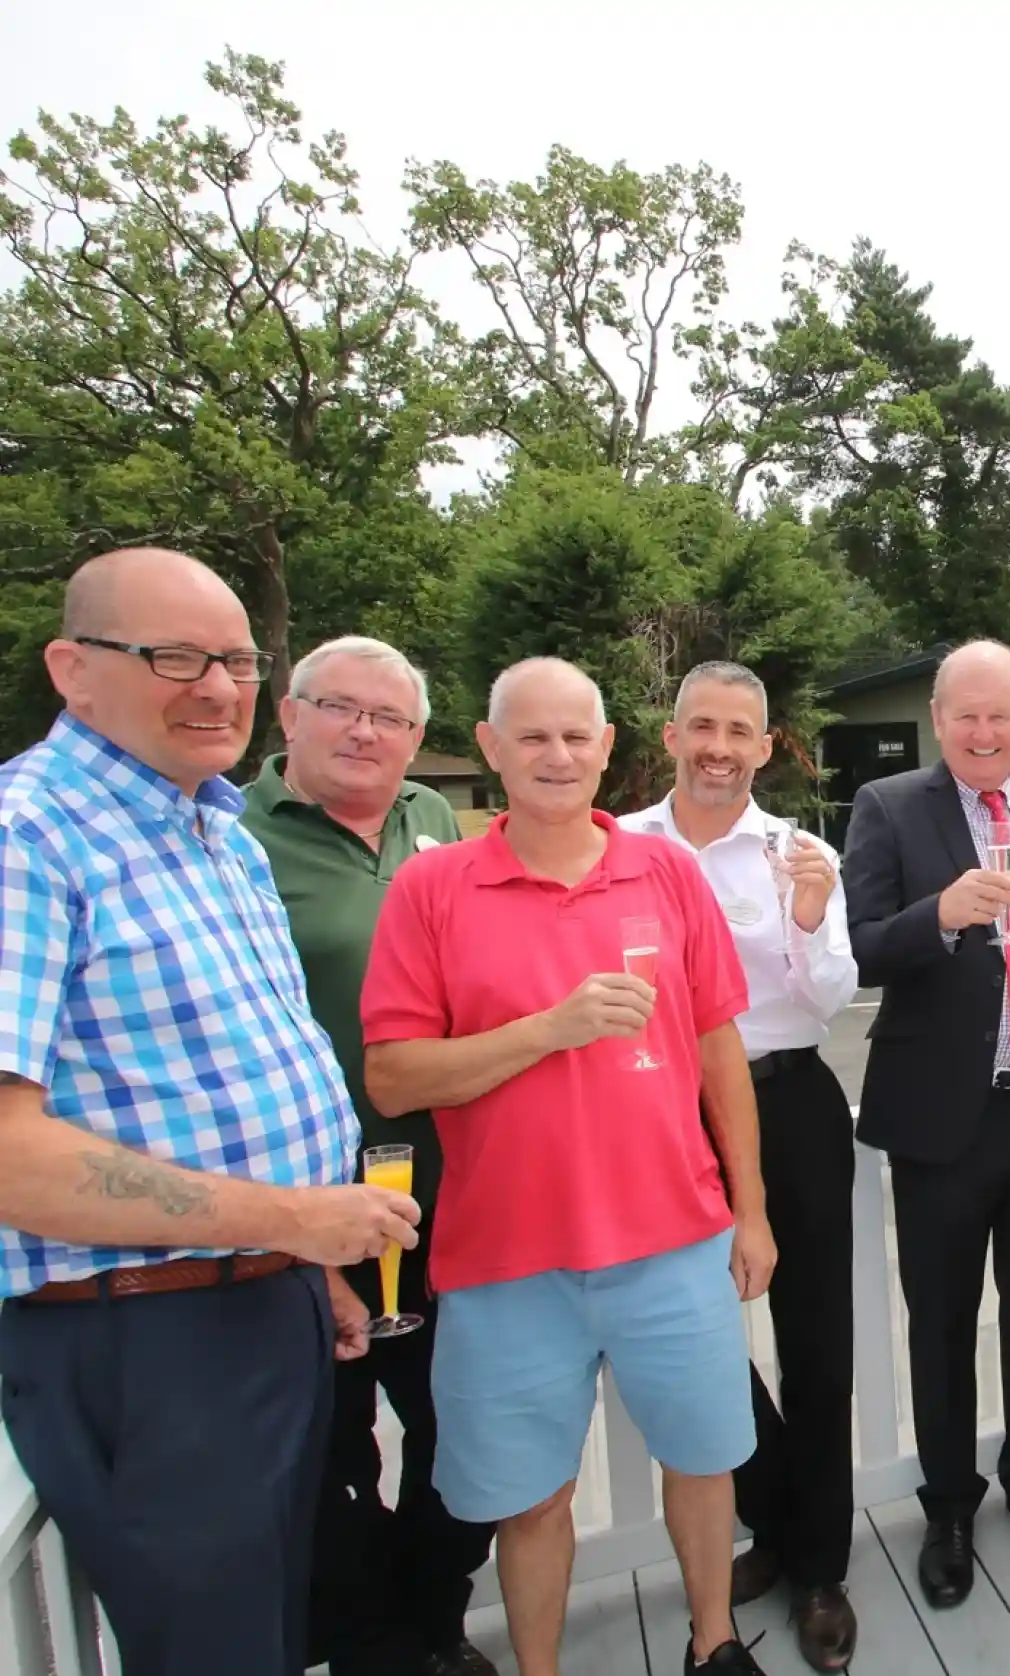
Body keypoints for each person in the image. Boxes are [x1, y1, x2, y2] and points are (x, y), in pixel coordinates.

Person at [0, 549, 421, 1676]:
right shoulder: (25, 839)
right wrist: (289, 1216)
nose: (217, 686)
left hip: (262, 1295)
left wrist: (304, 1258)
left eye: (235, 658)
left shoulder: (216, 834)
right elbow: (8, 1150)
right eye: (174, 656)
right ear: (72, 669)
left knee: (275, 1628)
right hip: (141, 1333)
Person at [360, 658, 774, 1676]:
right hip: (507, 1259)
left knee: (705, 1459)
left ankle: (712, 1641)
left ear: (606, 749)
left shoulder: (664, 870)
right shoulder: (432, 885)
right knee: (530, 1495)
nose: (557, 756)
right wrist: (547, 1029)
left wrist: (750, 1209)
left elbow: (719, 1045)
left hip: (675, 1237)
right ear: (491, 748)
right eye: (532, 737)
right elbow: (393, 1076)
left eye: (576, 737)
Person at [241, 635, 497, 1676]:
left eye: (388, 717)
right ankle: (382, 1651)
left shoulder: (430, 821)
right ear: (287, 715)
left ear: (416, 739)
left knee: (464, 1426)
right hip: (307, 1213)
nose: (364, 731)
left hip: (442, 1192)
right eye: (338, 706)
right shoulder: (233, 836)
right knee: (335, 1454)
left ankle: (429, 1619)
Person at [840, 639, 1010, 1609]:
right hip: (943, 1117)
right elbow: (861, 950)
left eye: (1001, 715)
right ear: (938, 719)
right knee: (942, 1318)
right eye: (965, 715)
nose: (983, 732)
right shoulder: (888, 808)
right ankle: (948, 1502)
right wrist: (939, 914)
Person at [621, 661, 860, 1670]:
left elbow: (831, 1003)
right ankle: (770, 1511)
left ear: (766, 748)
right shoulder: (617, 847)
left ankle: (821, 1564)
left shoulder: (797, 852)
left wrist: (807, 917)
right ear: (671, 735)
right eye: (701, 725)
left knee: (816, 1341)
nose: (719, 745)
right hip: (661, 1107)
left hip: (787, 1094)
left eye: (740, 731)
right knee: (693, 1332)